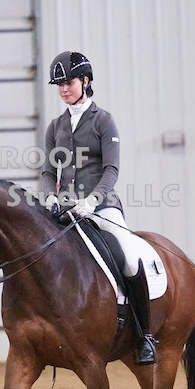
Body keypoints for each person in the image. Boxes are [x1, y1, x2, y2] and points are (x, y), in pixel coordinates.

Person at [41, 50, 157, 365]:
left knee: (129, 258)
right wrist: (49, 196)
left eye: (68, 82)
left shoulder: (103, 120)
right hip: (65, 210)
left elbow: (111, 170)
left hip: (101, 206)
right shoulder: (55, 127)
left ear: (85, 81)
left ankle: (145, 336)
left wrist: (92, 200)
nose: (63, 89)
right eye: (59, 84)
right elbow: (48, 172)